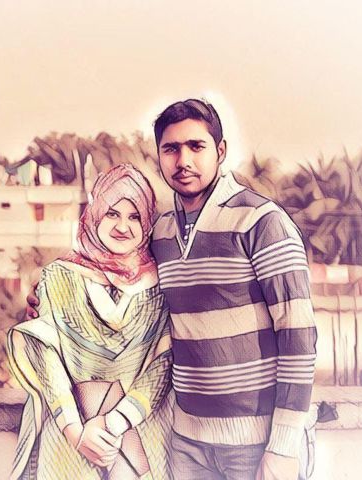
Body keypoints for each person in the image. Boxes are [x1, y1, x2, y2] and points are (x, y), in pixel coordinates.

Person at [28, 98, 317, 480]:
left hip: (256, 444)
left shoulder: (262, 222)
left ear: (220, 151)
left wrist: (283, 446)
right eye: (171, 149)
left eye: (196, 146)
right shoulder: (161, 233)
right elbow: (115, 279)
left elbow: (299, 337)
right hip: (186, 445)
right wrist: (44, 303)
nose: (184, 160)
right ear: (160, 155)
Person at [8, 164, 173, 480]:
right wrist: (76, 432)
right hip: (69, 440)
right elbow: (47, 358)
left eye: (135, 217)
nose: (123, 226)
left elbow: (162, 364)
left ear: (147, 223)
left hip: (139, 432)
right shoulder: (59, 276)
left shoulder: (160, 284)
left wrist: (115, 422)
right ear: (95, 215)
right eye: (112, 213)